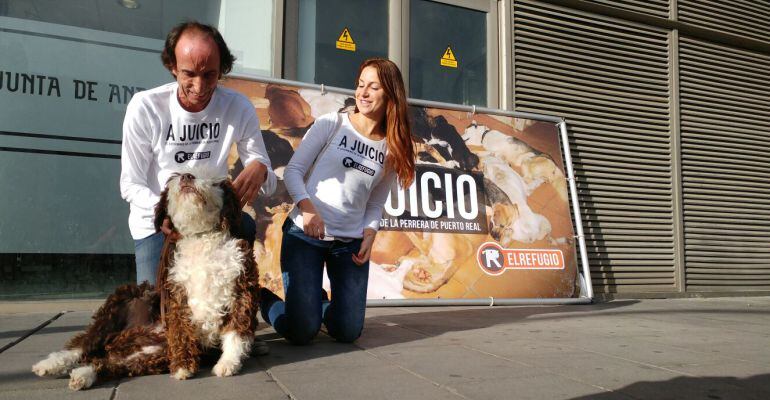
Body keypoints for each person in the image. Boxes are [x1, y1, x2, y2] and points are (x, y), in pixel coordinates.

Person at [260, 58, 415, 344]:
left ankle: (312, 303)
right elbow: (293, 172)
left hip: (349, 245)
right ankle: (261, 299)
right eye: (360, 85)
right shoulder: (332, 124)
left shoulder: (392, 147)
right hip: (305, 236)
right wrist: (308, 210)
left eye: (373, 87)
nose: (363, 93)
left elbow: (375, 202)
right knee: (301, 331)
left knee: (347, 332)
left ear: (391, 95)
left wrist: (370, 234)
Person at [120, 21, 276, 286]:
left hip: (211, 222)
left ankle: (251, 296)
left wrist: (261, 169)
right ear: (172, 66)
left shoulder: (237, 107)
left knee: (245, 227)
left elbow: (270, 185)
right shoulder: (146, 107)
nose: (199, 85)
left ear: (222, 70)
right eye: (188, 73)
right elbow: (130, 185)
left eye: (210, 75)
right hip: (160, 223)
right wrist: (166, 211)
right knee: (154, 317)